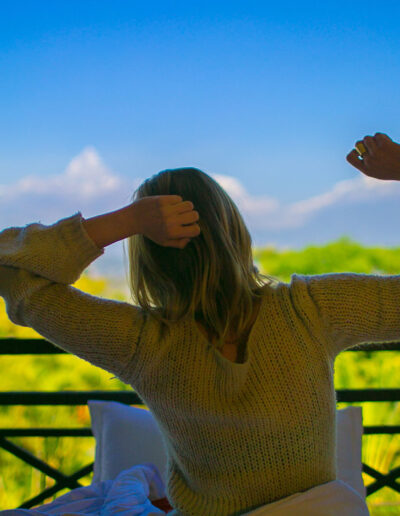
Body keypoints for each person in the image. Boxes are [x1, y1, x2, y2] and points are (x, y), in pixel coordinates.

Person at [0, 133, 398, 516]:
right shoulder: (311, 310)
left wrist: (126, 221)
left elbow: (9, 269)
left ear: (147, 256)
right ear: (234, 231)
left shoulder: (141, 343)